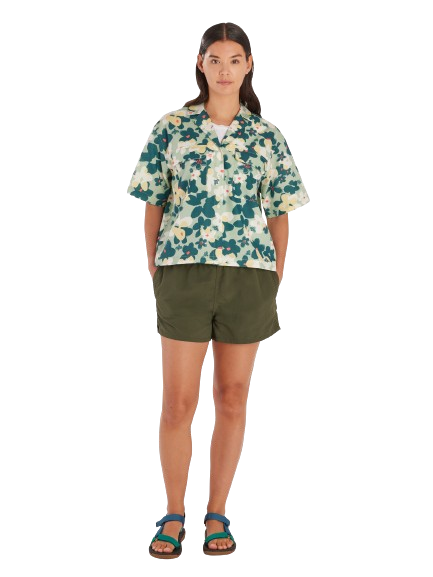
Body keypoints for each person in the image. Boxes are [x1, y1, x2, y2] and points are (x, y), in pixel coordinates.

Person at [126, 22, 310, 559]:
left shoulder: (267, 136)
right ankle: (173, 514)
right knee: (177, 402)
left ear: (249, 65)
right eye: (215, 59)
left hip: (248, 277)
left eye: (234, 60)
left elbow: (280, 212)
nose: (224, 70)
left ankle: (217, 513)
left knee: (232, 398)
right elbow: (153, 202)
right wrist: (156, 269)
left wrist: (274, 275)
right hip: (182, 273)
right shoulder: (172, 128)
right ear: (200, 63)